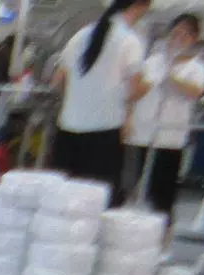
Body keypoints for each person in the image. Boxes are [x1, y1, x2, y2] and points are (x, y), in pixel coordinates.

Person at [53, 0, 153, 199]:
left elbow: (58, 80)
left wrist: (78, 100)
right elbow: (134, 90)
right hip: (104, 134)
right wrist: (148, 85)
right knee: (96, 201)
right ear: (139, 7)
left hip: (67, 130)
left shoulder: (81, 35)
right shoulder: (130, 41)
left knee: (63, 200)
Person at [124, 12, 204, 217]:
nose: (178, 38)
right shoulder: (152, 62)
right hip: (141, 134)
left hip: (170, 139)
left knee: (162, 196)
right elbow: (134, 92)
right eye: (175, 33)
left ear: (194, 38)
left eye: (185, 34)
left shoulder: (197, 68)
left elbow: (196, 92)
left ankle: (163, 231)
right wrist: (127, 119)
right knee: (128, 187)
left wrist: (171, 75)